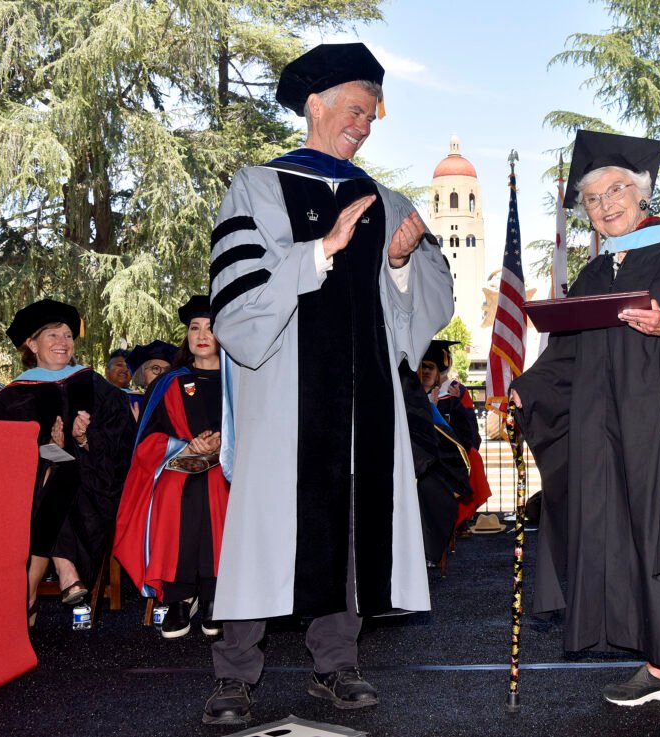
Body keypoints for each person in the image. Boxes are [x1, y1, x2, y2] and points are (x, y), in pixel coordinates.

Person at [203, 42, 453, 725]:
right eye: (354, 109)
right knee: (263, 528)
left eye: (372, 115)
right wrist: (318, 252)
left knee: (349, 527)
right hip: (285, 398)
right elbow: (237, 303)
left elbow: (424, 311)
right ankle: (234, 673)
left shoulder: (385, 198)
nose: (364, 124)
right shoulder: (256, 186)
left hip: (363, 403)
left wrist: (399, 261)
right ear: (313, 106)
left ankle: (337, 665)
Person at [510, 130, 660, 732]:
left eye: (616, 189)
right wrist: (525, 389)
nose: (605, 204)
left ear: (642, 194)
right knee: (634, 540)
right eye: (591, 198)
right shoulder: (593, 275)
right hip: (613, 434)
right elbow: (565, 359)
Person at [0, 299, 135, 625]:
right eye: (52, 335)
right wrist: (46, 450)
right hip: (30, 490)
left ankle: (28, 596)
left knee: (61, 473)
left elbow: (123, 443)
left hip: (95, 488)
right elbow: (7, 457)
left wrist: (85, 440)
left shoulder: (95, 386)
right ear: (31, 343)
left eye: (68, 335)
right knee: (54, 473)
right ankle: (64, 570)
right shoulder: (14, 395)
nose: (63, 343)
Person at [113, 296, 229, 639]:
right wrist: (186, 446)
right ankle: (179, 595)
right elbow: (146, 440)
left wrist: (224, 442)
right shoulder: (169, 383)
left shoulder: (242, 380)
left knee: (217, 488)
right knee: (178, 490)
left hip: (230, 467)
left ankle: (214, 595)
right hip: (177, 465)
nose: (201, 334)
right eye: (195, 327)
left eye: (211, 327)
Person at [416, 340, 491, 532]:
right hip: (421, 455)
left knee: (469, 459)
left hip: (448, 452)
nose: (426, 372)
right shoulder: (410, 396)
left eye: (431, 368)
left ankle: (458, 521)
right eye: (422, 367)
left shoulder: (453, 395)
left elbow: (468, 431)